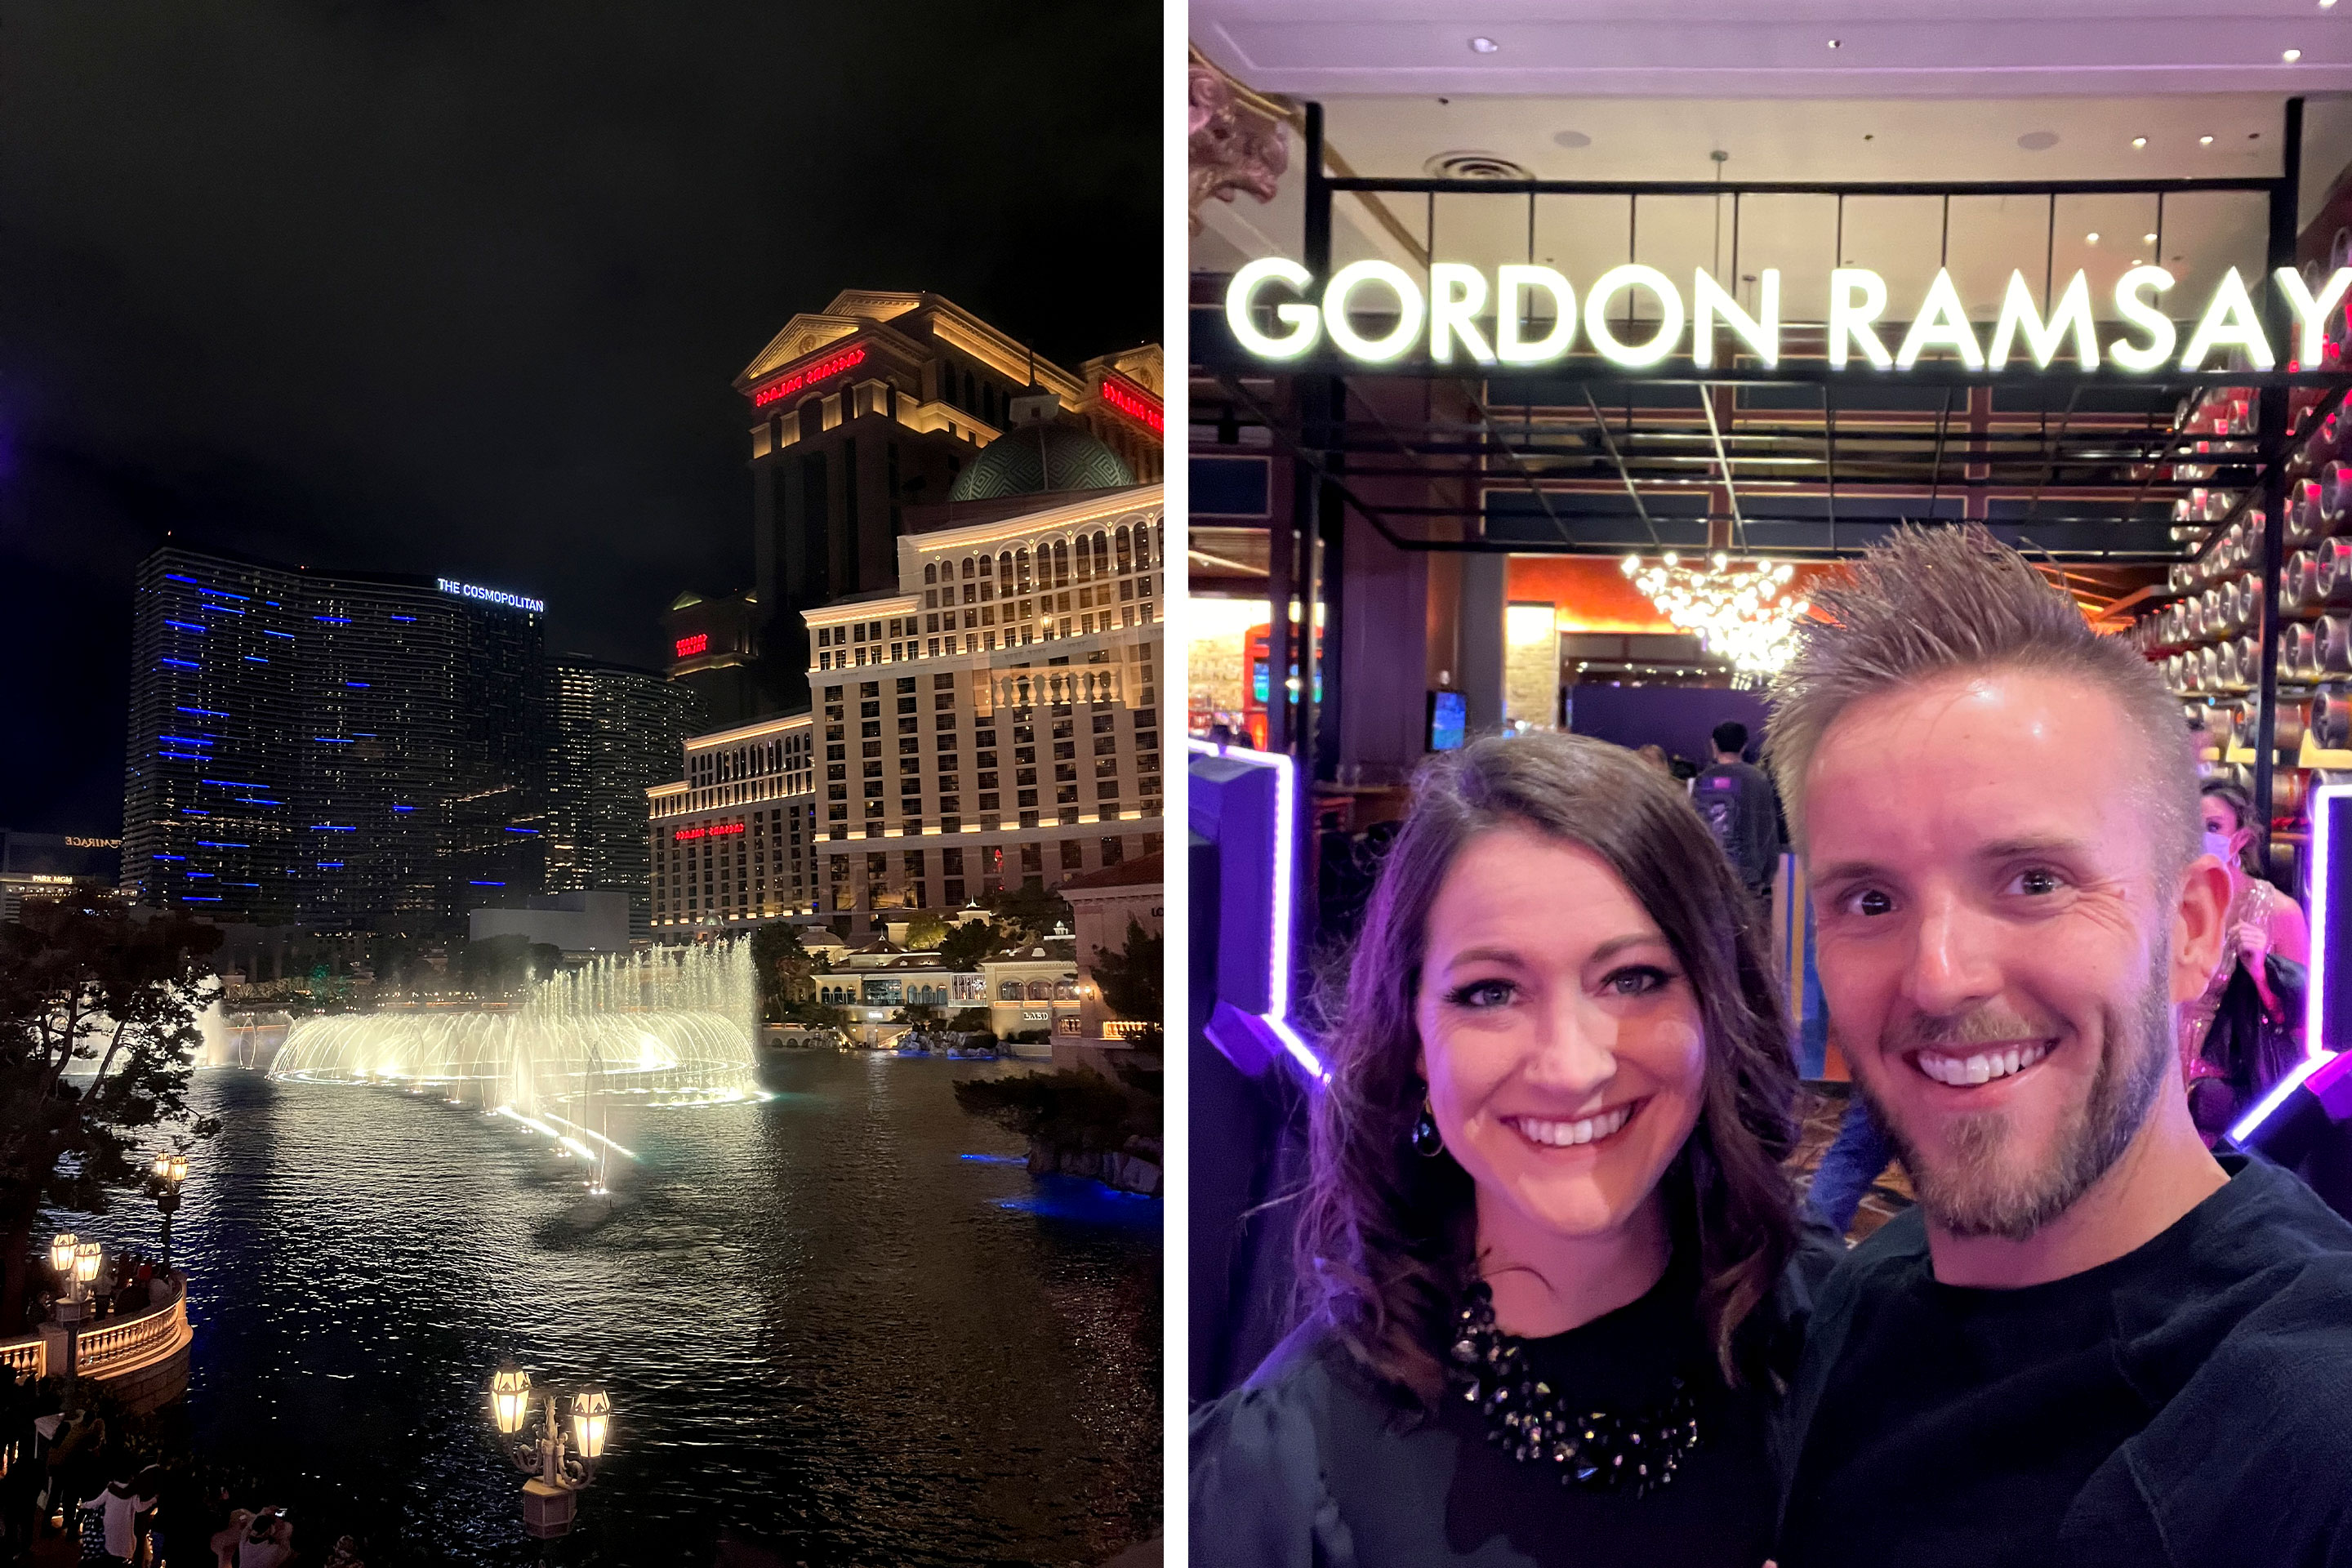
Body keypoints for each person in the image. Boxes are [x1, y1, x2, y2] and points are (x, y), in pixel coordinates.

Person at [1764, 523, 2352, 1566]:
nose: (1940, 974)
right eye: (1870, 898)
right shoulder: (1866, 1294)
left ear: (2192, 929)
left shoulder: (2309, 1420)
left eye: (2035, 881)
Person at [1191, 733, 1840, 1568]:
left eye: (1634, 978)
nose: (1571, 1067)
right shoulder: (1285, 1475)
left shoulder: (1834, 1333)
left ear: (1717, 1004)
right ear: (1414, 1041)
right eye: (1490, 993)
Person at [2177, 778, 2311, 1138]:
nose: (2198, 836)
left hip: (2228, 1084)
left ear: (2240, 839)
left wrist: (2261, 974)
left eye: (2213, 827)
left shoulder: (2280, 912)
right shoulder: (2166, 901)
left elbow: (2304, 1026)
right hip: (2161, 1073)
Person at [1690, 722, 1785, 910]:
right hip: (1750, 878)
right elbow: (1768, 829)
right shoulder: (1758, 779)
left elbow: (1696, 828)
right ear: (1744, 746)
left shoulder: (1705, 780)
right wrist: (1768, 873)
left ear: (1714, 745)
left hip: (1713, 875)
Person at [79, 1474, 152, 1566]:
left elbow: (96, 1503)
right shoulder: (133, 1493)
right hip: (121, 1534)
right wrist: (153, 1500)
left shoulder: (110, 1490)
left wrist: (83, 1505)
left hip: (106, 1534)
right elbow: (139, 1508)